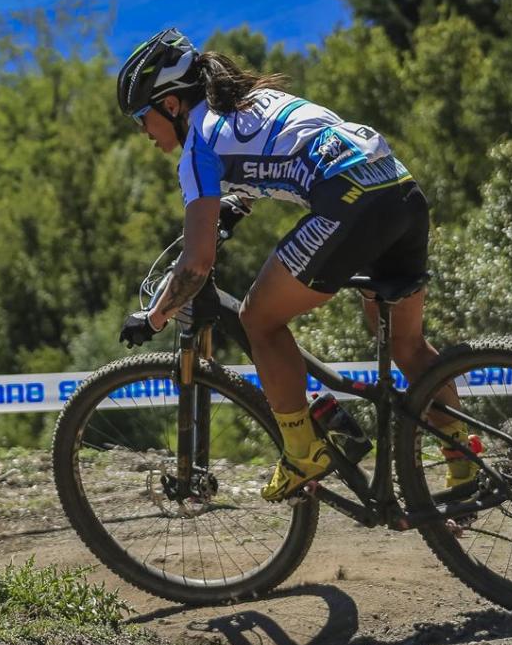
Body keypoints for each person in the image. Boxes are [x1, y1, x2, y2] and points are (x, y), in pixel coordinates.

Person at [115, 28, 471, 502]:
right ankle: (467, 468)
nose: (143, 132)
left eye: (142, 118)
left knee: (258, 319)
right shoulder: (255, 99)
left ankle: (304, 449)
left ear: (172, 105)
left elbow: (196, 264)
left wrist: (156, 315)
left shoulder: (197, 149)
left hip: (350, 203)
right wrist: (235, 206)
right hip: (399, 190)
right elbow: (280, 155)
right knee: (407, 344)